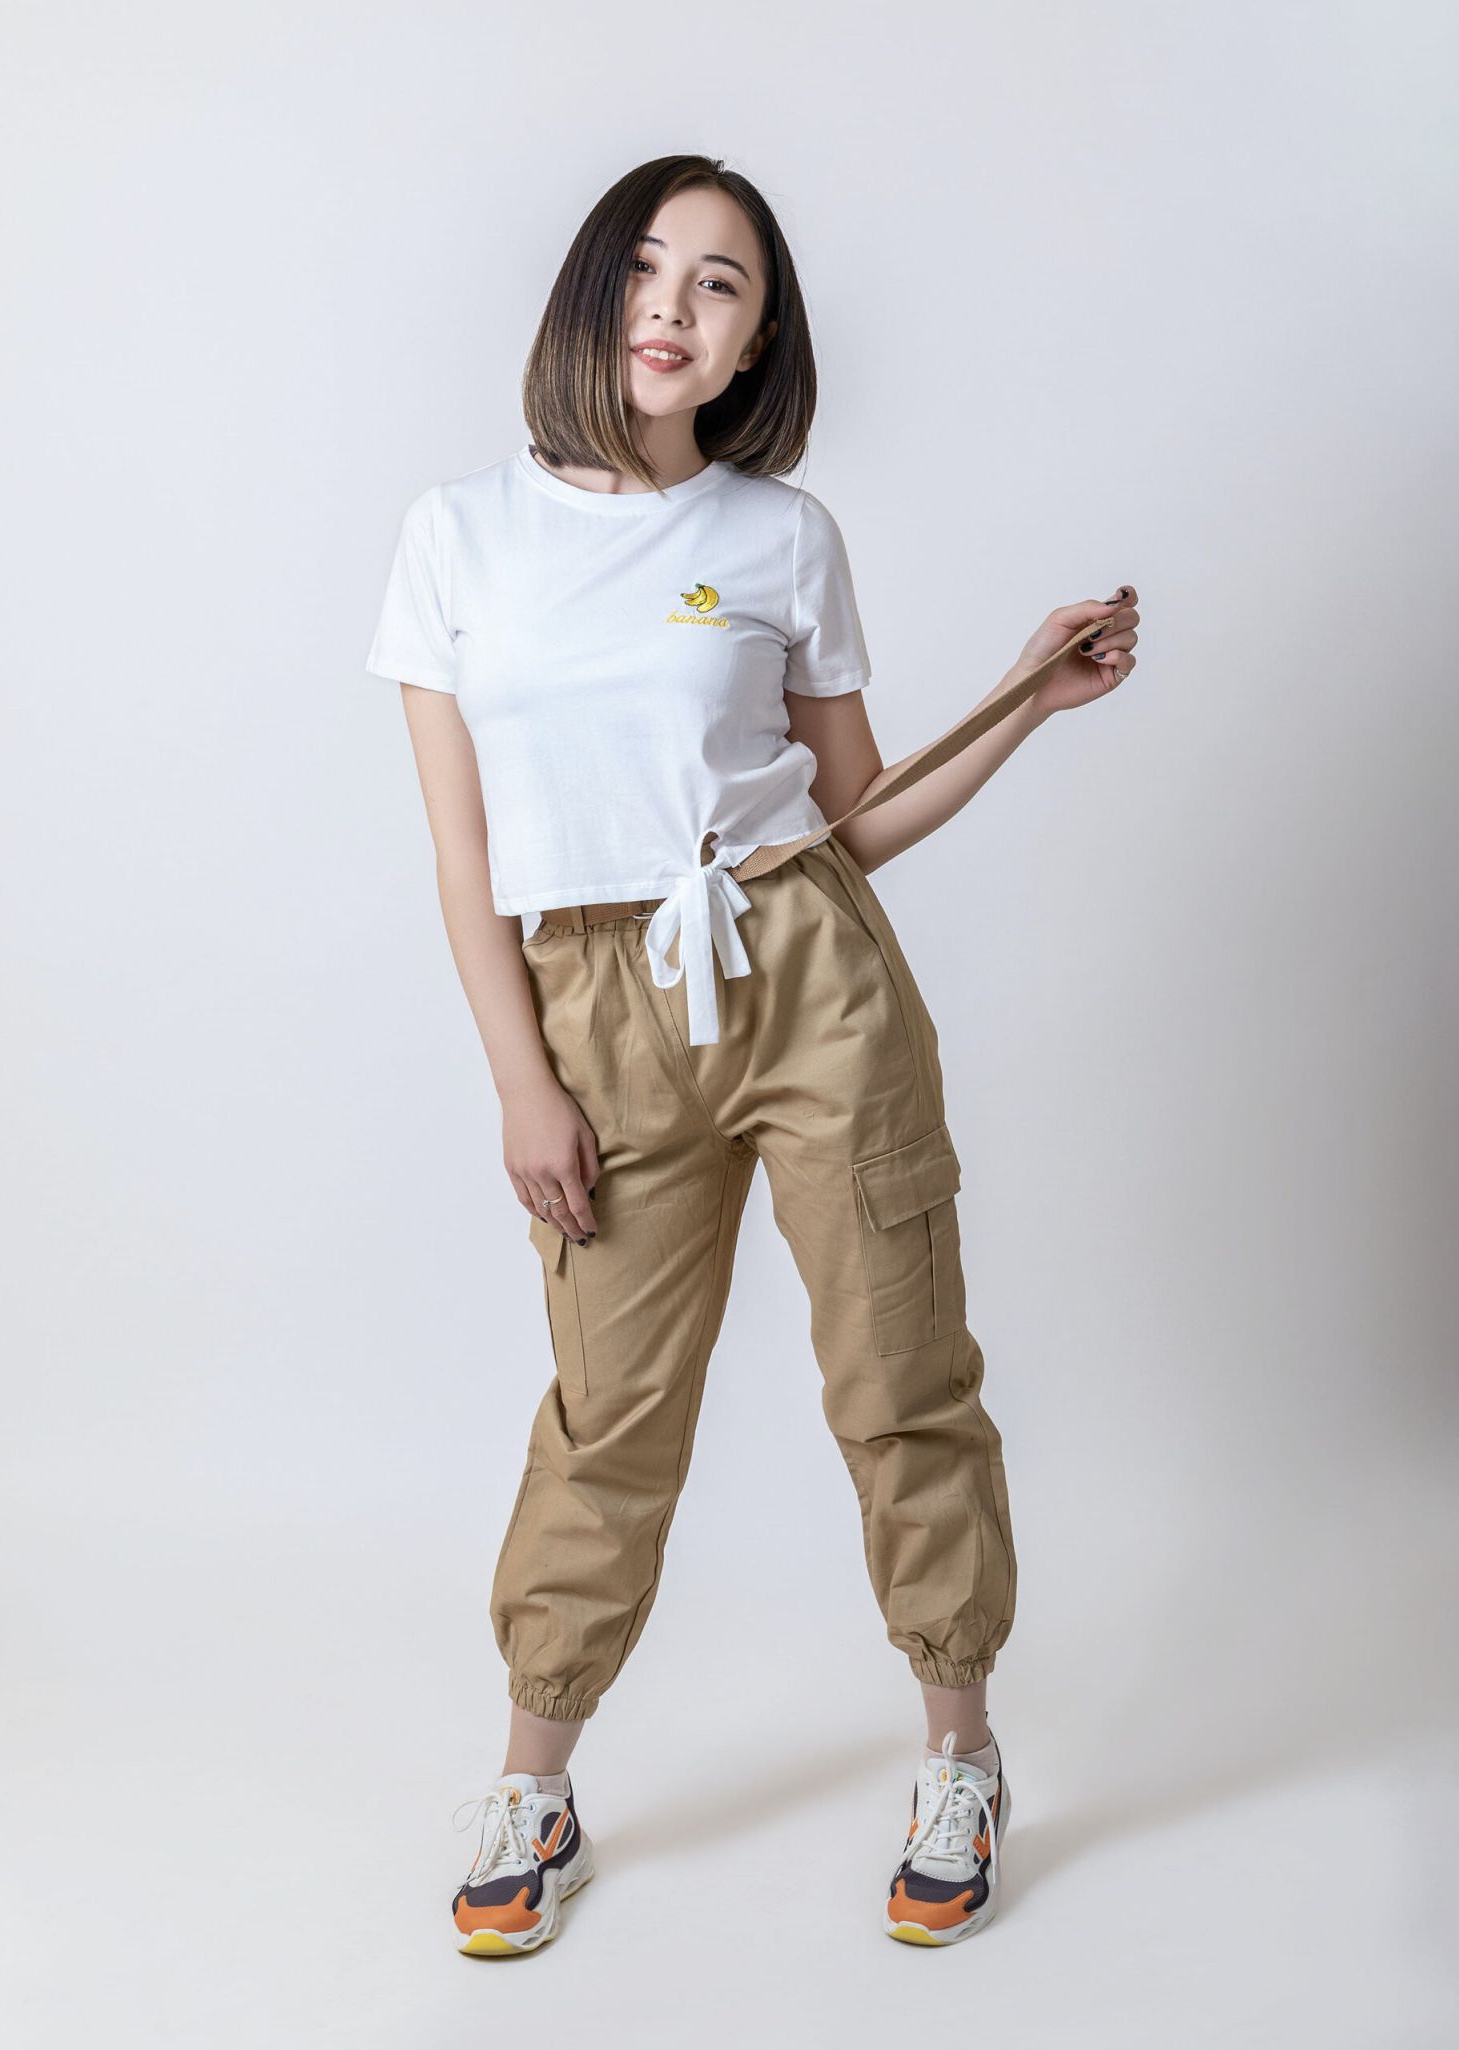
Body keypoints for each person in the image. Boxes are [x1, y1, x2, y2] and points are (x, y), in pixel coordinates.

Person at [364, 153, 1140, 1957]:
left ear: (753, 340)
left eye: (720, 284)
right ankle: (537, 1787)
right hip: (592, 1008)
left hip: (807, 974)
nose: (674, 305)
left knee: (900, 1372)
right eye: (649, 266)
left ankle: (962, 1752)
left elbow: (850, 822)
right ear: (593, 288)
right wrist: (522, 1079)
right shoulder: (457, 535)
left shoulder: (782, 535)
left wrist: (1022, 701)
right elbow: (464, 856)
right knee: (609, 1416)